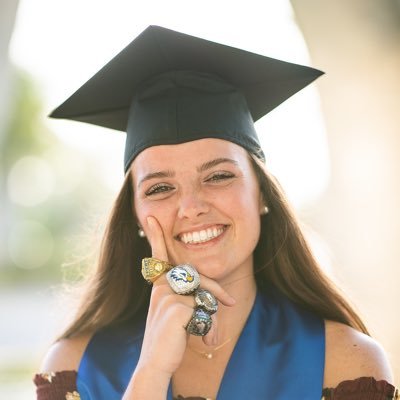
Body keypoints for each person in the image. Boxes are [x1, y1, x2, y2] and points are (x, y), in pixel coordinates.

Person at [34, 26, 398, 400]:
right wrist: (152, 372)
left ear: (261, 196)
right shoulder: (77, 367)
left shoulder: (343, 361)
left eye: (219, 176)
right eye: (160, 188)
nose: (192, 206)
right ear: (135, 216)